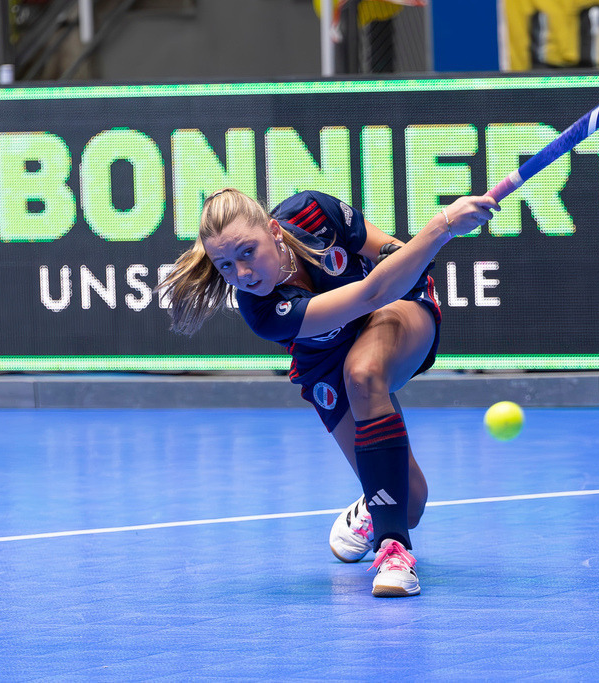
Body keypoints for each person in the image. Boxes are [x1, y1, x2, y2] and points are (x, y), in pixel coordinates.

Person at [159, 187, 498, 597]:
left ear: (273, 231)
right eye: (225, 265)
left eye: (248, 252)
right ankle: (374, 503)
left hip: (396, 311)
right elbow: (369, 291)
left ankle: (394, 552)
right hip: (328, 361)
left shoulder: (311, 212)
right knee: (410, 504)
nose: (242, 274)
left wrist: (406, 252)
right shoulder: (261, 311)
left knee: (364, 372)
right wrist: (443, 226)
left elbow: (385, 261)